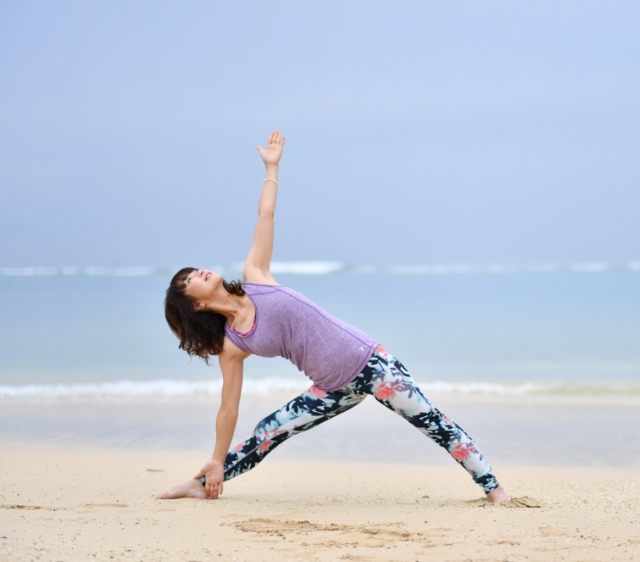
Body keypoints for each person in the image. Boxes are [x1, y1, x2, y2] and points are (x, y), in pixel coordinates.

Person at [160, 130, 510, 504]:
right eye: (189, 280)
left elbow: (266, 214)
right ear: (195, 306)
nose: (198, 273)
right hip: (331, 388)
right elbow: (228, 407)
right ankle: (202, 483)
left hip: (372, 363)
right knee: (269, 430)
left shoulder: (255, 278)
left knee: (431, 422)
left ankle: (495, 490)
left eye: (194, 270)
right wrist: (217, 457)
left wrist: (272, 168)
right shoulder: (232, 345)